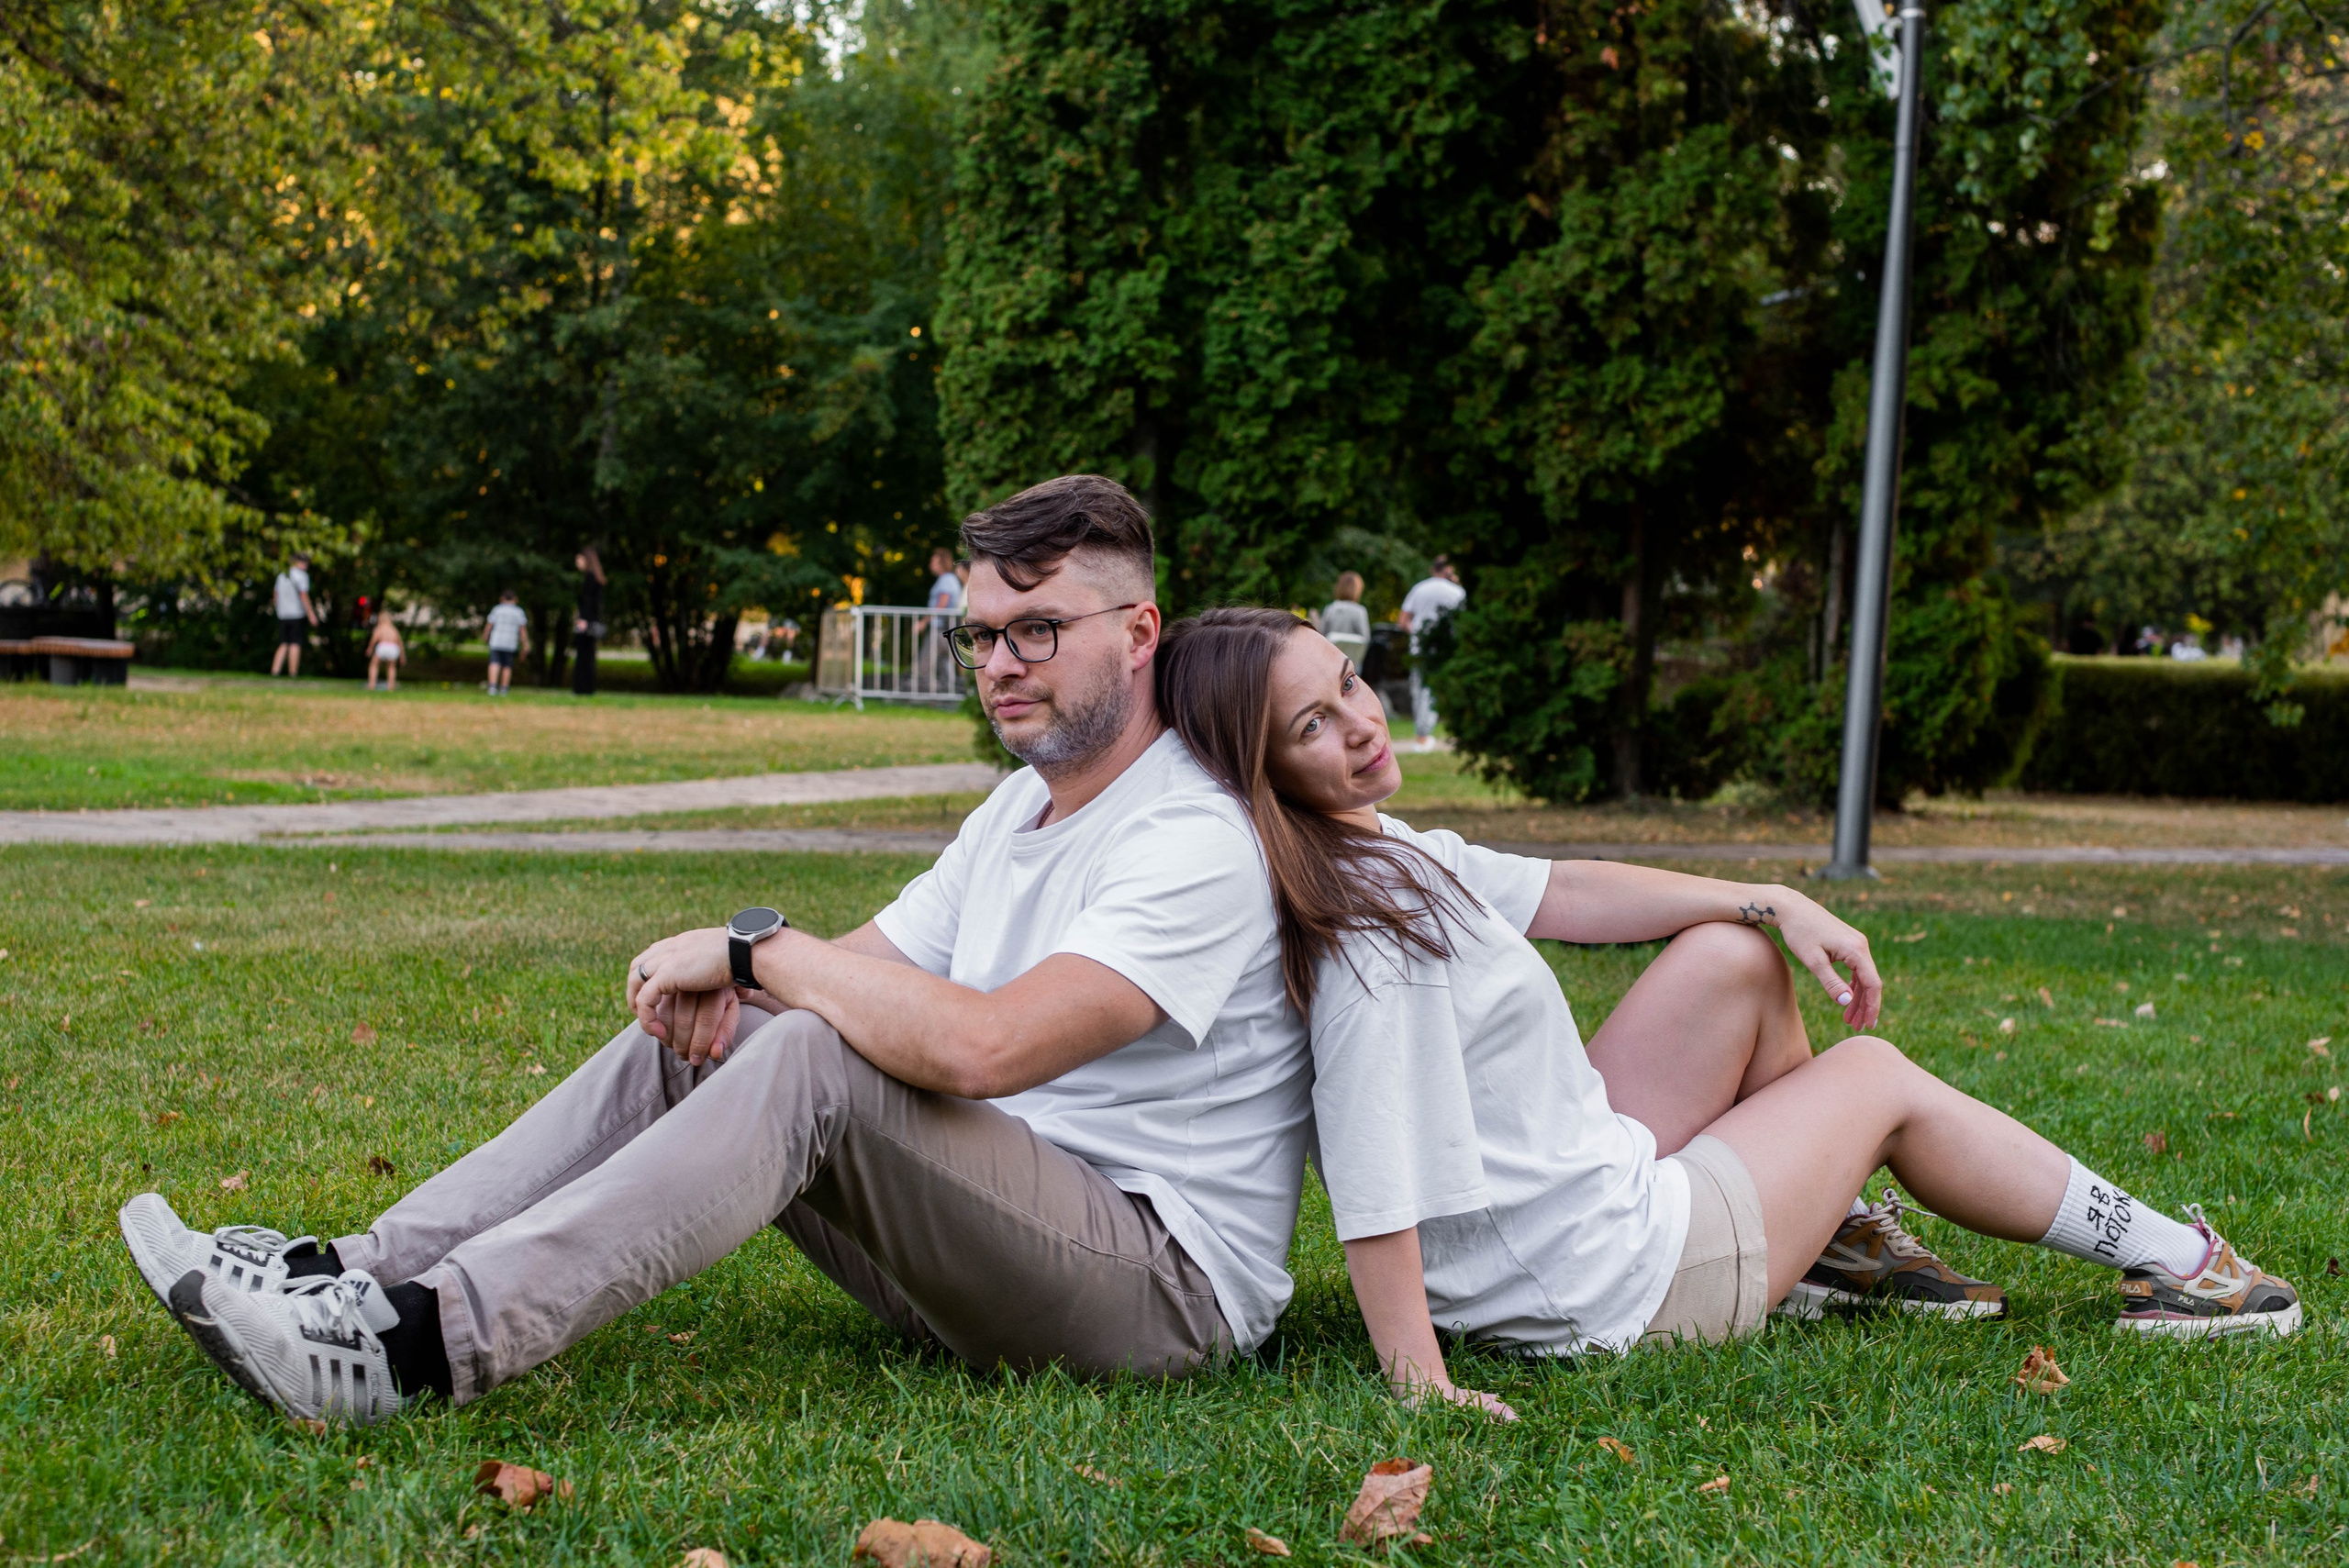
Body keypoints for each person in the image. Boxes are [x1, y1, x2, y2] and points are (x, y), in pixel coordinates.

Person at [117, 474, 1317, 1428]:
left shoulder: (1189, 835)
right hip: (989, 1250)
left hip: (1158, 1294)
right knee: (750, 1032)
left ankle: (413, 1353)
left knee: (801, 1048)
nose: (1000, 665)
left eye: (1038, 631)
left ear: (1138, 631)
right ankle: (352, 1278)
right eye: (983, 635)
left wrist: (754, 952)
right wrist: (745, 983)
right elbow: (854, 974)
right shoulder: (1021, 808)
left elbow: (986, 1049)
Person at [1157, 607, 2301, 1418]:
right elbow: (1369, 1170)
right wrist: (1419, 1379)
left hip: (1571, 1198)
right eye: (1311, 725)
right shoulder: (1368, 935)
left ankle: (1830, 1243)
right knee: (1874, 1077)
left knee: (1732, 955)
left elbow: (1567, 889)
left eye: (1349, 683)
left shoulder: (1379, 849)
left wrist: (1771, 897)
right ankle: (2179, 1264)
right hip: (1608, 1280)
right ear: (1262, 772)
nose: (1360, 722)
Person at [1396, 557, 1464, 751]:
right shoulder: (1457, 592)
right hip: (1447, 649)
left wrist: (1417, 632)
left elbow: (1403, 621)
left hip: (1420, 648)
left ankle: (1422, 736)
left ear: (1432, 569)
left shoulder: (1419, 589)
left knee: (1420, 691)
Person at [269, 554, 317, 677]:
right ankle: (293, 673)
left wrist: (278, 609)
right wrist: (311, 614)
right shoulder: (302, 576)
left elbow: (276, 594)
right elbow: (303, 595)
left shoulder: (282, 575)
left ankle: (275, 671)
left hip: (283, 614)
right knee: (295, 643)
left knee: (284, 643)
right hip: (297, 614)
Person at [572, 549, 606, 697]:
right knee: (589, 655)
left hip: (586, 622)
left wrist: (584, 620)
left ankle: (582, 688)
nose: (577, 563)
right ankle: (587, 688)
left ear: (587, 560)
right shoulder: (596, 578)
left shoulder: (590, 578)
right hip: (592, 621)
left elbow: (588, 602)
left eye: (579, 559)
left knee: (583, 655)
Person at [1319, 572, 1371, 670]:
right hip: (1352, 665)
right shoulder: (1360, 611)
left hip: (1329, 661)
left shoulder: (1330, 609)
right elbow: (1365, 640)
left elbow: (1321, 635)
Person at [483, 590, 529, 695]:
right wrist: (525, 644)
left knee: (494, 663)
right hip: (510, 642)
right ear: (515, 599)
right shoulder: (518, 612)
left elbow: (489, 624)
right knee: (507, 665)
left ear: (502, 599)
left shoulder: (497, 609)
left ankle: (492, 687)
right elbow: (522, 629)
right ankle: (504, 688)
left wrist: (485, 635)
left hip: (496, 640)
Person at [364, 611, 405, 692]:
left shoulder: (380, 628)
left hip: (383, 646)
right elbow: (400, 642)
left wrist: (370, 649)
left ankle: (371, 684)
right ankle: (391, 686)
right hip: (393, 647)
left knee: (374, 665)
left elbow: (374, 639)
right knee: (391, 667)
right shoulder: (393, 629)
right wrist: (402, 656)